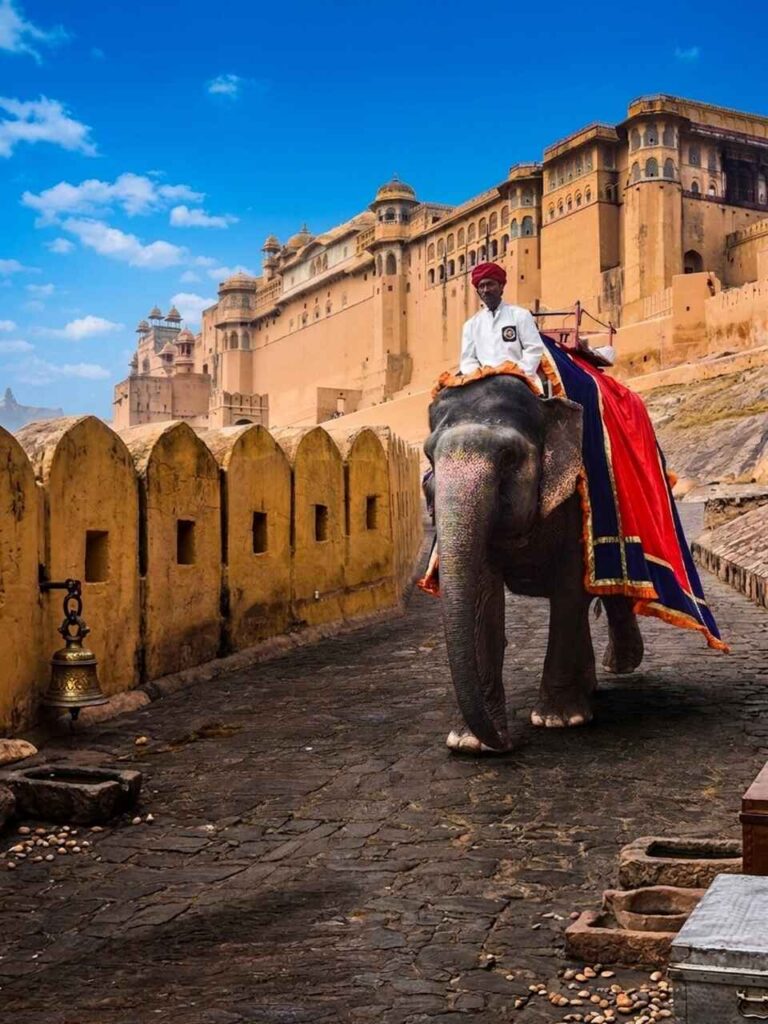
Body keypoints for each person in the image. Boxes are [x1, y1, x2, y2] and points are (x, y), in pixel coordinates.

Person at [460, 262, 544, 383]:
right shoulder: (471, 325)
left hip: (519, 379)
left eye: (490, 284)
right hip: (484, 382)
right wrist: (480, 376)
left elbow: (534, 349)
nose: (486, 290)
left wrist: (517, 373)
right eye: (481, 286)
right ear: (478, 292)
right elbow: (467, 360)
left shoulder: (521, 315)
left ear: (501, 286)